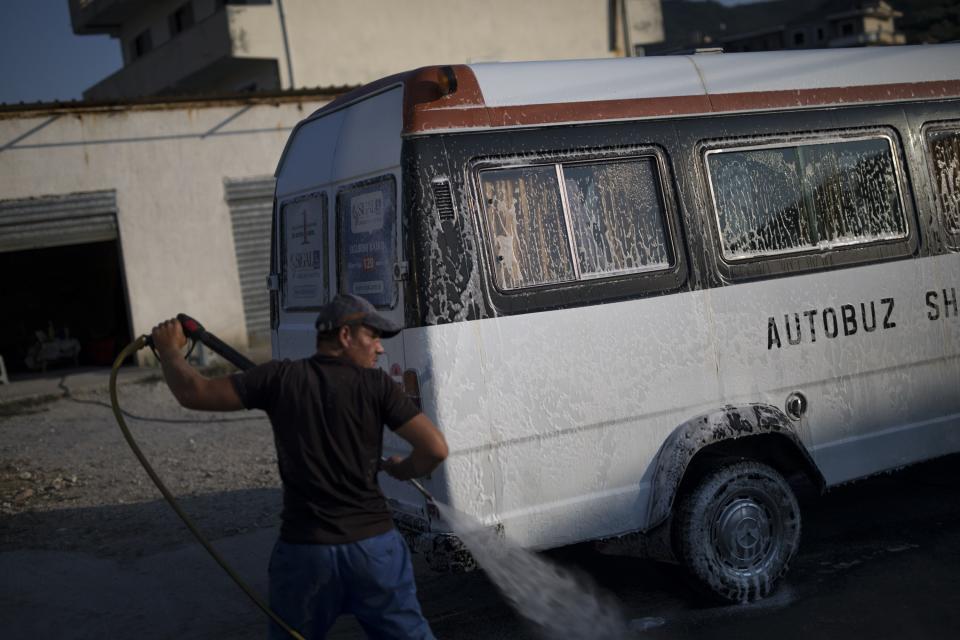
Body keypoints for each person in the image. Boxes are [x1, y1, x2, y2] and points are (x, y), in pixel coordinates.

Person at [151, 294, 448, 640]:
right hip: (373, 551)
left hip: (307, 555)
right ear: (345, 336)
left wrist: (170, 351)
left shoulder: (280, 378)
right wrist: (405, 469)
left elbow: (194, 392)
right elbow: (434, 449)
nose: (380, 349)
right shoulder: (376, 385)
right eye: (373, 336)